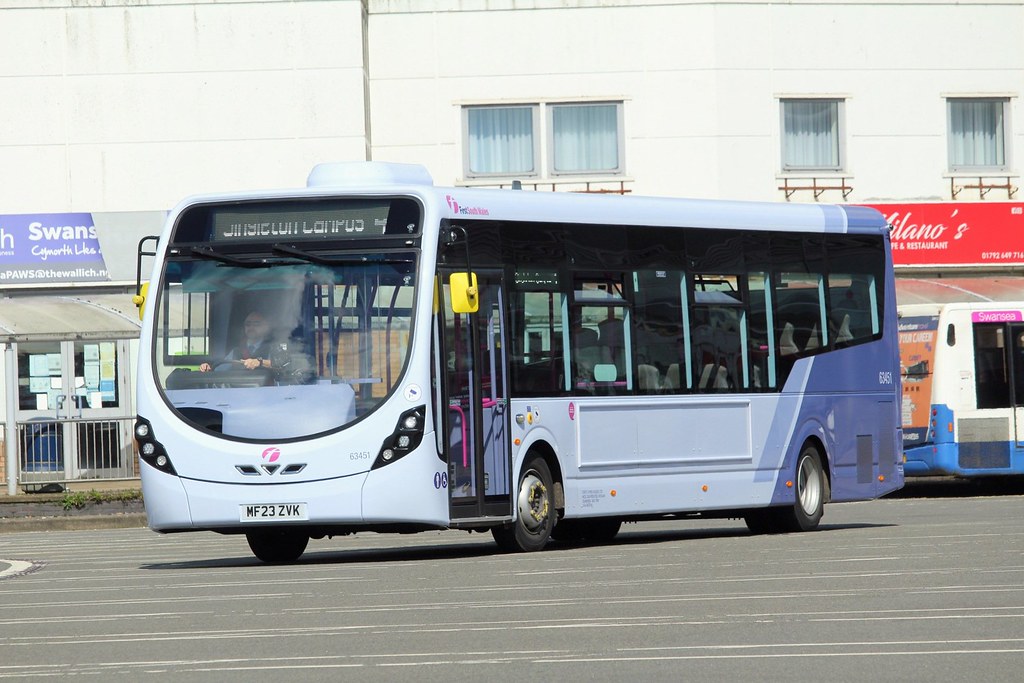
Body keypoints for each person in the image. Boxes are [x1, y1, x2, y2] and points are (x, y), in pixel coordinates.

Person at [199, 311, 276, 372]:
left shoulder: (273, 348)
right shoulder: (236, 351)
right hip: (238, 390)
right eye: (248, 324)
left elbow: (281, 366)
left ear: (266, 327)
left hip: (267, 390)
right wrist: (208, 369)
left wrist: (260, 362)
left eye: (256, 324)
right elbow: (219, 370)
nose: (251, 327)